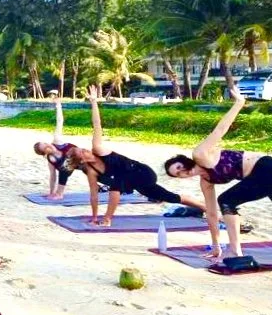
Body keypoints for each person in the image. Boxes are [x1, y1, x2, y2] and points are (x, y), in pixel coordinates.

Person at [164, 87, 272, 259]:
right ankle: (231, 249)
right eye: (178, 174)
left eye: (179, 167)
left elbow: (220, 130)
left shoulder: (200, 154)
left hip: (270, 170)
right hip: (267, 179)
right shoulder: (206, 182)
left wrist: (239, 103)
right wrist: (216, 246)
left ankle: (235, 250)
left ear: (184, 160)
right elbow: (211, 214)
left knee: (227, 200)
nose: (182, 173)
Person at [65, 86, 205, 227]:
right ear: (81, 160)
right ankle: (204, 207)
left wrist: (94, 102)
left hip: (143, 173)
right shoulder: (91, 171)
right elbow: (94, 195)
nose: (85, 150)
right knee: (169, 197)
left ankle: (107, 219)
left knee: (116, 183)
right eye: (82, 152)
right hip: (134, 183)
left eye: (83, 148)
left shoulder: (98, 149)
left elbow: (97, 125)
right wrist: (94, 216)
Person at [33, 96, 77, 200]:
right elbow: (53, 176)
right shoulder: (50, 159)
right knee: (64, 168)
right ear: (44, 152)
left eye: (45, 143)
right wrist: (51, 192)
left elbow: (60, 121)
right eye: (44, 147)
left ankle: (119, 186)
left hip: (83, 158)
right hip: (72, 165)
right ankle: (58, 194)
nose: (48, 145)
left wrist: (58, 105)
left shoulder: (57, 140)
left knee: (99, 173)